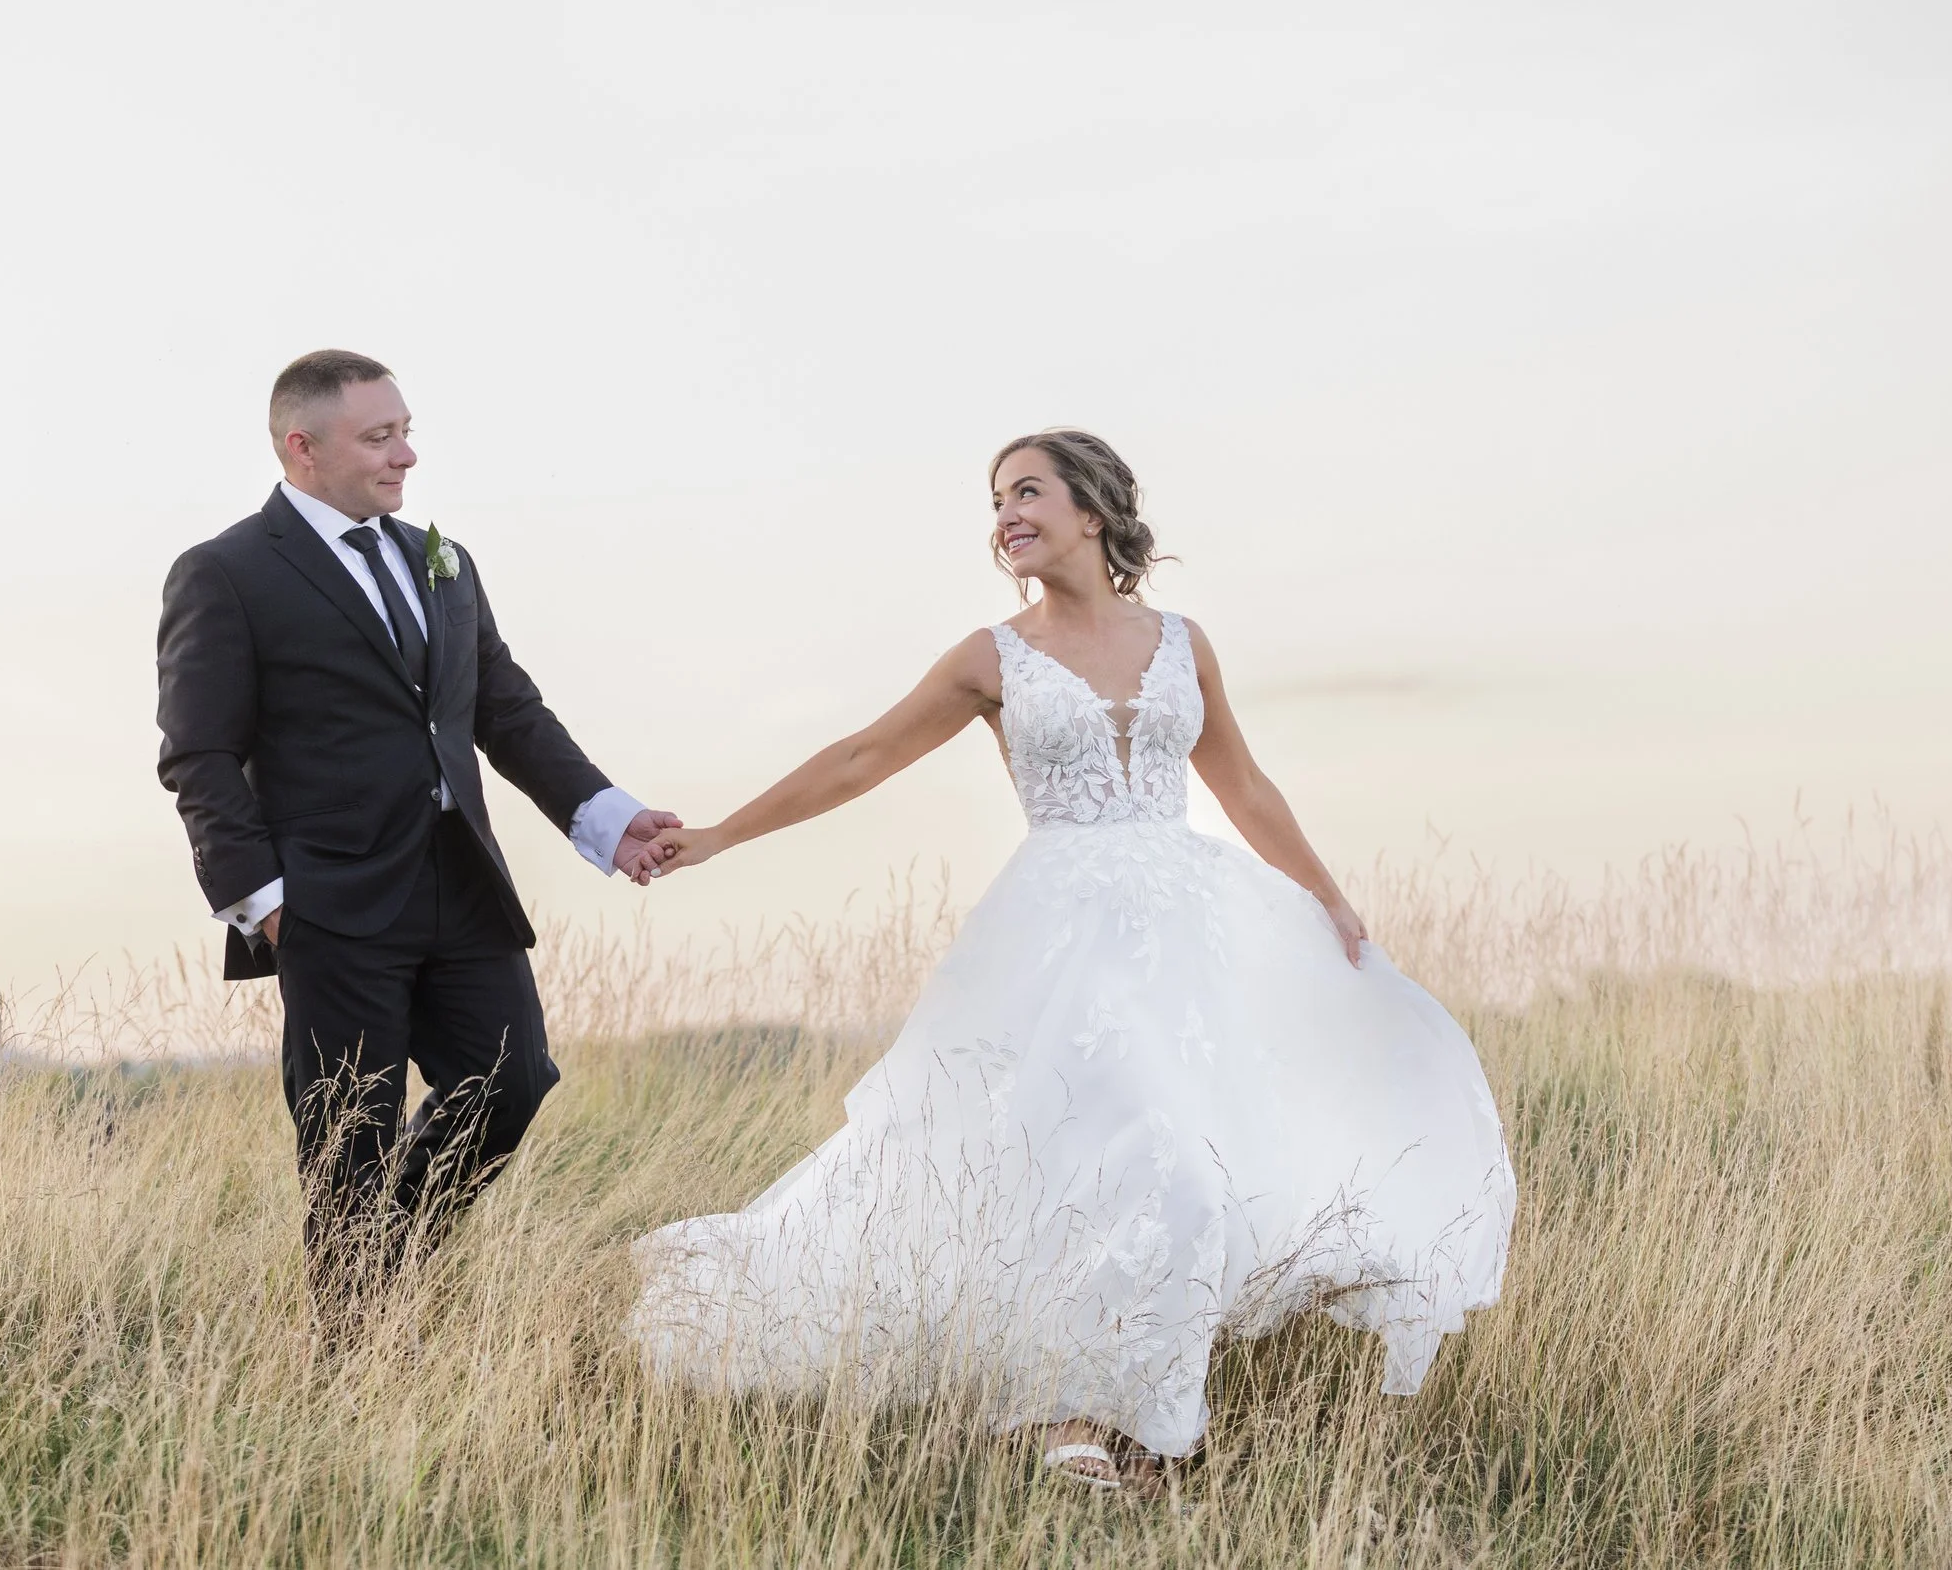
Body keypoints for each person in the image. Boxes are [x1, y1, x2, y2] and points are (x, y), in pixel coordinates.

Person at [629, 429, 1514, 1494]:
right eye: (996, 499)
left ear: (1091, 512)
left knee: (1197, 1163)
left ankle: (1128, 1408)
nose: (1005, 514)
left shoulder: (1184, 640)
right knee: (1125, 1160)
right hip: (1060, 936)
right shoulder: (987, 657)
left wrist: (1325, 892)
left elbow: (1244, 786)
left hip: (1191, 926)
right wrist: (722, 833)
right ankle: (1073, 1418)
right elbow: (862, 756)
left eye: (1027, 492)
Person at [156, 349, 676, 1314]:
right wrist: (265, 904)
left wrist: (606, 817)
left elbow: (504, 708)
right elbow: (199, 755)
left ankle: (382, 1265)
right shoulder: (225, 572)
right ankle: (355, 1363)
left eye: (404, 430)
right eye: (380, 436)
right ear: (302, 446)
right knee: (347, 1139)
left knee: (512, 1080)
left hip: (461, 884)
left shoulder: (441, 560)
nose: (407, 456)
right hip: (327, 902)